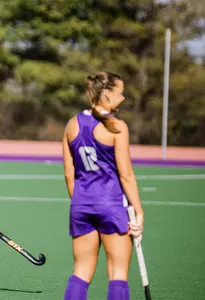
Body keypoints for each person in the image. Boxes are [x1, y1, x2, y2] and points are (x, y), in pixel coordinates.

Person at [62, 72, 145, 300]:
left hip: (81, 205)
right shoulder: (116, 127)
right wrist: (138, 211)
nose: (124, 97)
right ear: (108, 94)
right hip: (111, 205)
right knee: (118, 273)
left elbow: (70, 175)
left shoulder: (72, 124)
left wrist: (82, 202)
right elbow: (126, 175)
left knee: (81, 272)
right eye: (121, 92)